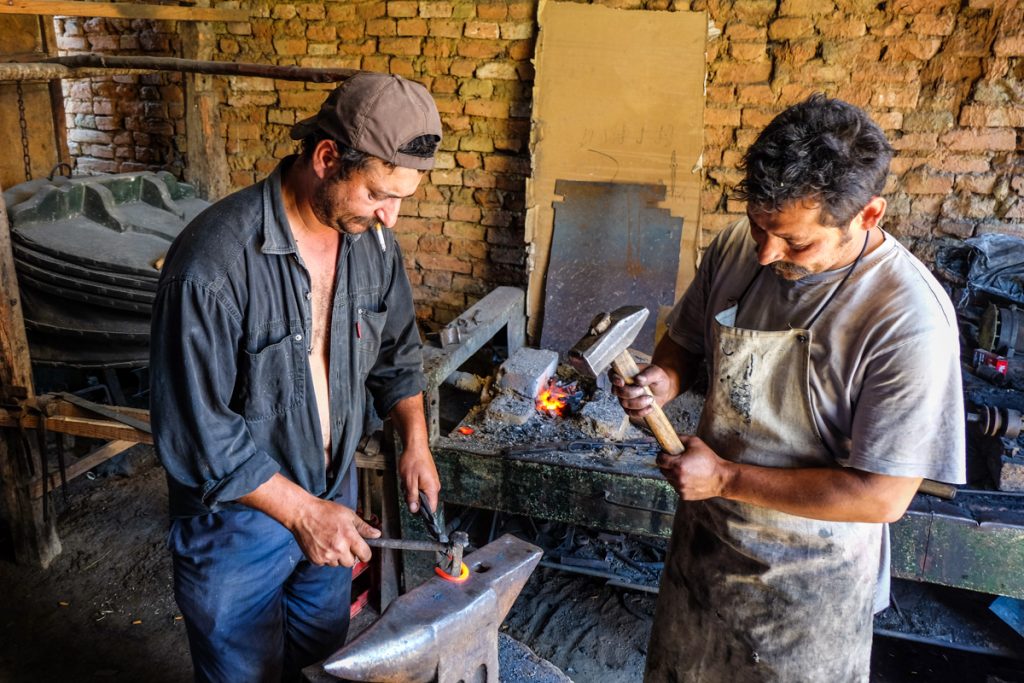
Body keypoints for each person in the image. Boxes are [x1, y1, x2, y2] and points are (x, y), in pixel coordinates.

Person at [612, 94, 965, 682]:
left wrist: (725, 478)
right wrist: (662, 380)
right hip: (704, 547)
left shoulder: (908, 318)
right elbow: (686, 343)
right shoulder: (738, 246)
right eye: (759, 226)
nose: (766, 253)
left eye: (796, 243)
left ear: (868, 215)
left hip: (809, 583)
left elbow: (882, 497)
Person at [149, 73, 443, 682]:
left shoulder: (373, 244)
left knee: (320, 663)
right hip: (238, 522)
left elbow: (397, 355)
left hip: (332, 494)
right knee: (244, 672)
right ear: (327, 158)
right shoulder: (212, 265)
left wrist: (415, 441)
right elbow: (196, 432)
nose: (389, 217)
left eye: (401, 199)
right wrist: (302, 514)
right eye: (377, 193)